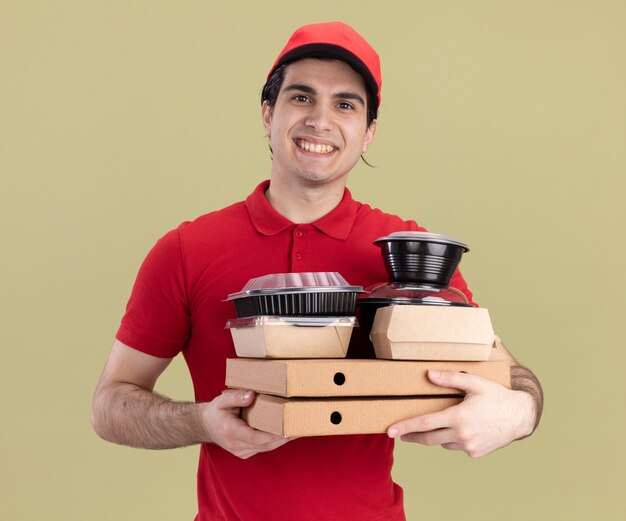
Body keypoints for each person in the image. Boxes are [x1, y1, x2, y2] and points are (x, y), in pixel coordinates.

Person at [91, 21, 543, 521]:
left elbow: (514, 376)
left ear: (369, 133)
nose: (320, 121)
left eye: (345, 105)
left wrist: (516, 413)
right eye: (301, 98)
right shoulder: (186, 250)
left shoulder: (405, 255)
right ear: (268, 114)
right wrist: (202, 422)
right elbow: (110, 405)